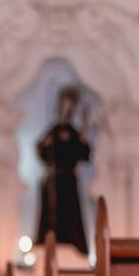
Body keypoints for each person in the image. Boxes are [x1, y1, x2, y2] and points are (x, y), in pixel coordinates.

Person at [35, 85, 91, 255]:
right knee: (52, 218)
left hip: (69, 181)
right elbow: (41, 150)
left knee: (71, 216)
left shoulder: (75, 132)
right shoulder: (53, 131)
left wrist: (83, 140)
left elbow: (84, 154)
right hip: (55, 180)